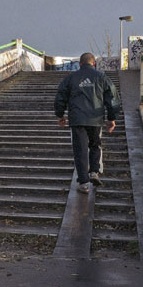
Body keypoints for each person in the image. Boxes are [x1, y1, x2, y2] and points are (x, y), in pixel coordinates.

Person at [54, 53, 120, 194]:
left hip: (77, 120)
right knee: (95, 145)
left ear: (80, 64)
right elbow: (112, 97)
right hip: (95, 119)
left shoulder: (71, 78)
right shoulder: (101, 77)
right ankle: (94, 172)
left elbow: (60, 96)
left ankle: (84, 183)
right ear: (93, 63)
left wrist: (60, 115)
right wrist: (111, 118)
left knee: (80, 149)